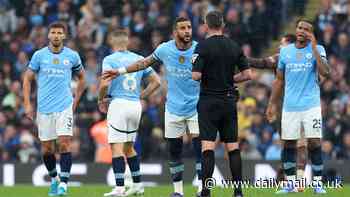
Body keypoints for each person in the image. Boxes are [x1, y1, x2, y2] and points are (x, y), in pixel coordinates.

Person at [103, 17, 203, 197]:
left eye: (189, 27)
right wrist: (122, 72)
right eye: (183, 28)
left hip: (196, 105)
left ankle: (203, 186)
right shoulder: (164, 48)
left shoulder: (199, 49)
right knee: (174, 149)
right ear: (175, 32)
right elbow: (145, 64)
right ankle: (177, 191)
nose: (187, 31)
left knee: (199, 146)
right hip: (172, 107)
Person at [267, 19, 330, 194]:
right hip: (289, 107)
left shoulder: (319, 49)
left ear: (311, 33)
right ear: (295, 30)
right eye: (300, 27)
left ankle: (317, 184)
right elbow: (279, 80)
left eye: (306, 29)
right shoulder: (286, 52)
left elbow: (326, 72)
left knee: (315, 143)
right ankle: (289, 184)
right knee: (288, 144)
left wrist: (315, 46)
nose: (302, 31)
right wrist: (272, 103)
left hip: (311, 106)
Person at [192, 11, 252, 197]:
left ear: (206, 25)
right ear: (223, 24)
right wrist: (229, 78)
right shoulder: (234, 46)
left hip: (209, 101)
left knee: (208, 147)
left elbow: (196, 76)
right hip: (228, 101)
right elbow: (248, 74)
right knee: (232, 147)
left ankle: (206, 190)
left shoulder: (202, 47)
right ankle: (238, 191)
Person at [22, 22, 86, 196]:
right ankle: (54, 179)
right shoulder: (39, 55)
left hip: (64, 106)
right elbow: (27, 79)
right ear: (48, 35)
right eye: (53, 32)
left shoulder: (72, 56)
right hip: (44, 108)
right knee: (47, 149)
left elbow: (82, 78)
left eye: (59, 32)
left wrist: (75, 100)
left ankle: (64, 184)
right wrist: (27, 104)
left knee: (65, 144)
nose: (56, 35)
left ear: (64, 36)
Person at [99, 29, 161, 197]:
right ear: (127, 42)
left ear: (112, 41)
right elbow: (157, 82)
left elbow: (104, 84)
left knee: (116, 147)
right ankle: (138, 185)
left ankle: (119, 188)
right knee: (129, 148)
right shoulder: (139, 59)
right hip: (135, 105)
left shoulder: (109, 59)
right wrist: (141, 96)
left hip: (118, 104)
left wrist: (100, 99)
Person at [248, 34, 309, 187]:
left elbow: (262, 63)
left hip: (287, 109)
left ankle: (286, 178)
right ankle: (295, 179)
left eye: (282, 44)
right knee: (300, 144)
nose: (279, 47)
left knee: (289, 145)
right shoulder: (305, 58)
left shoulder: (281, 57)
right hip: (302, 106)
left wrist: (241, 58)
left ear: (289, 45)